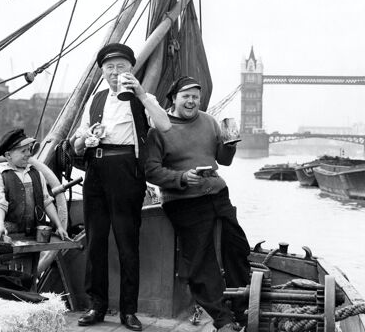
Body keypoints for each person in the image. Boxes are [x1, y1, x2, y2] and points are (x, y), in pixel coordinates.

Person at [73, 43, 171, 330]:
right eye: (110, 68)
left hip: (127, 170)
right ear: (102, 71)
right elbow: (78, 142)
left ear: (131, 69)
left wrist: (141, 93)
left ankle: (129, 311)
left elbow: (164, 126)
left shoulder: (142, 97)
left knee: (128, 243)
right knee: (95, 242)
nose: (116, 73)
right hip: (95, 170)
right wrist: (85, 141)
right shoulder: (96, 100)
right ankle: (97, 306)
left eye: (122, 67)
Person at [145, 76, 251, 332]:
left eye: (195, 97)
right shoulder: (158, 129)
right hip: (184, 201)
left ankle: (242, 309)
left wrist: (230, 145)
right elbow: (151, 171)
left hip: (217, 194)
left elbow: (224, 161)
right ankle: (223, 319)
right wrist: (182, 178)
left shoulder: (210, 122)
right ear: (173, 99)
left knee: (237, 247)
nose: (192, 101)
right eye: (186, 96)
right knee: (201, 261)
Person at [0, 128, 68, 241]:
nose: (28, 154)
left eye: (29, 150)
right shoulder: (2, 177)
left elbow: (46, 202)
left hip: (36, 234)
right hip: (12, 234)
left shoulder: (37, 174)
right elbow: (0, 205)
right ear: (8, 155)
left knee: (33, 259)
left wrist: (59, 226)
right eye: (23, 151)